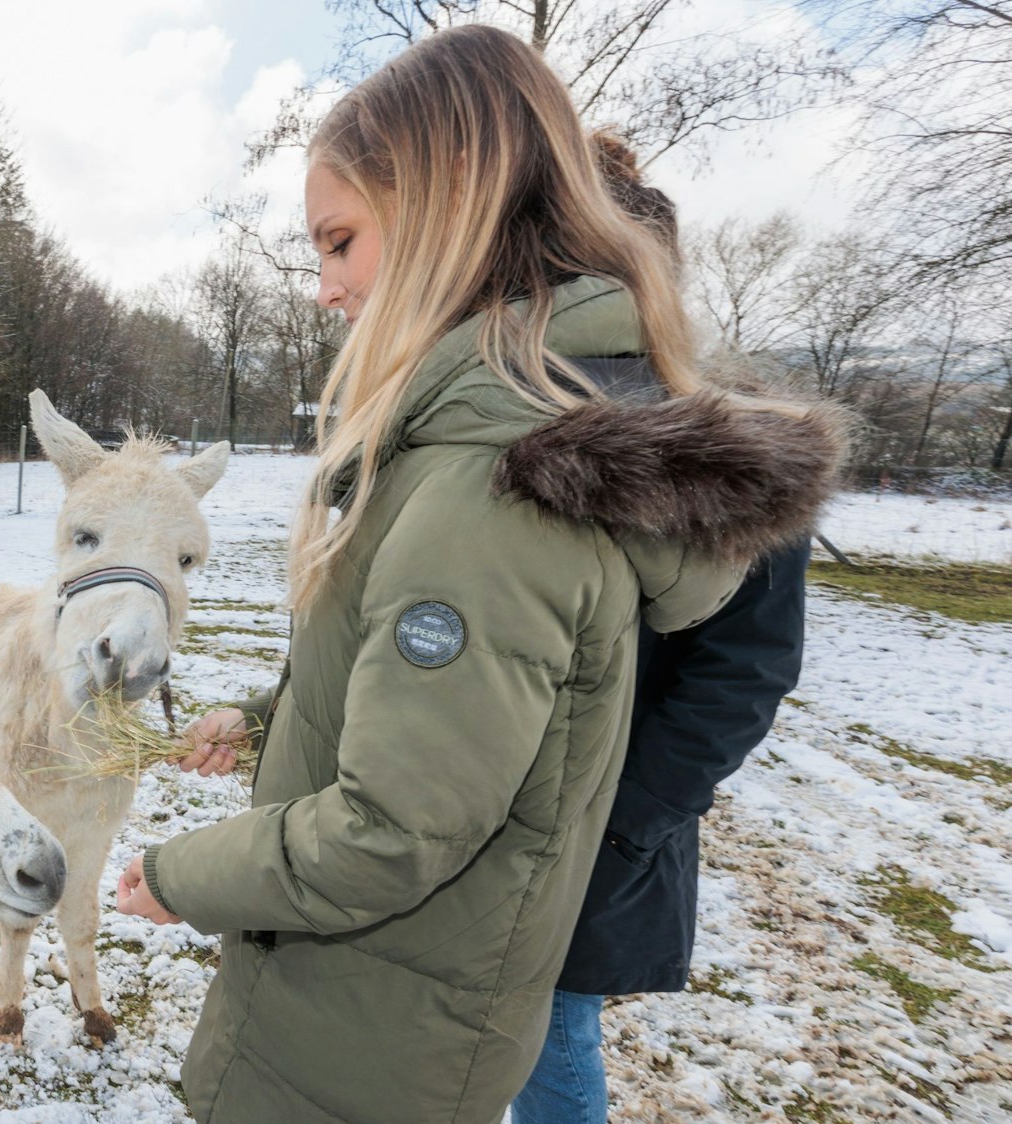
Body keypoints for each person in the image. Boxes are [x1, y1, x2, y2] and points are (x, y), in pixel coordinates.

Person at [114, 24, 845, 1124]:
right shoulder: (471, 442)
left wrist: (182, 873)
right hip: (393, 994)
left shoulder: (490, 483)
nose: (324, 287)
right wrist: (271, 722)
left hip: (377, 1016)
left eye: (341, 241)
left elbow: (397, 825)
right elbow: (428, 683)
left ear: (448, 201)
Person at [507, 134, 814, 1124]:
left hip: (601, 826)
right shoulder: (508, 413)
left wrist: (630, 814)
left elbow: (745, 668)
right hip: (475, 800)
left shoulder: (729, 446)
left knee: (550, 1029)